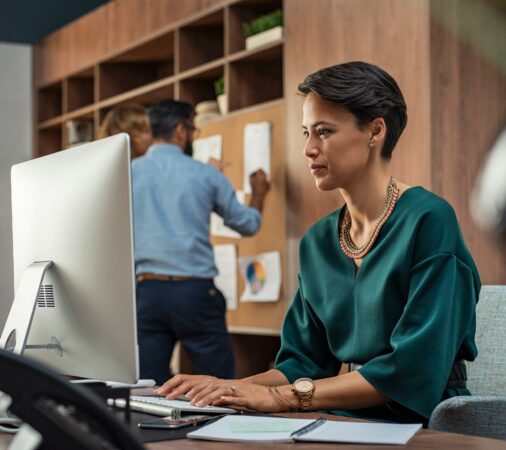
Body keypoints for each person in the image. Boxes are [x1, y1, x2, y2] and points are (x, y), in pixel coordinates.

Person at [155, 62, 480, 425]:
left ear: (375, 131)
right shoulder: (319, 241)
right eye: (307, 132)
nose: (309, 148)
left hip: (428, 419)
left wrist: (279, 398)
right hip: (347, 415)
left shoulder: (429, 220)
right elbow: (302, 362)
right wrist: (227, 389)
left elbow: (411, 369)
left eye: (324, 132)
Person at [132, 99, 269, 385]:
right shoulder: (205, 175)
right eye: (193, 130)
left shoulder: (128, 172)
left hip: (147, 292)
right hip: (194, 293)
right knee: (216, 385)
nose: (193, 136)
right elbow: (247, 223)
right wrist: (258, 194)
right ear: (181, 131)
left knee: (147, 387)